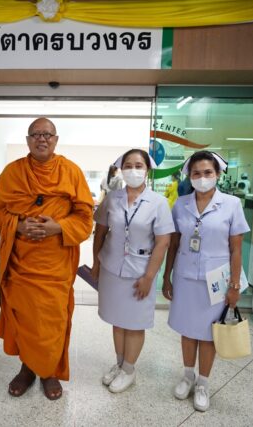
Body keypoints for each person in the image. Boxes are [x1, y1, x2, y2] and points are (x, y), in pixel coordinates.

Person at [0, 117, 94, 400]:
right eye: (36, 134)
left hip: (55, 265)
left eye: (47, 134)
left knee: (52, 322)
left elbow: (85, 218)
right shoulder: (13, 172)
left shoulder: (71, 172)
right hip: (21, 264)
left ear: (56, 140)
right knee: (25, 320)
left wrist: (57, 227)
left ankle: (49, 372)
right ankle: (27, 369)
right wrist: (18, 226)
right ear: (28, 140)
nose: (42, 139)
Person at [162, 150, 250, 412]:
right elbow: (174, 244)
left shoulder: (231, 204)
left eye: (208, 172)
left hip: (216, 281)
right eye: (197, 173)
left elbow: (236, 249)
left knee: (209, 334)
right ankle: (187, 376)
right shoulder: (181, 204)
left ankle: (203, 383)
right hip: (186, 277)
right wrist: (166, 276)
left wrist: (234, 286)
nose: (202, 178)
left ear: (218, 174)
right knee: (188, 330)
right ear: (190, 176)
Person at [91, 149, 174, 393]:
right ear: (121, 169)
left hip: (141, 272)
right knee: (118, 319)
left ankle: (129, 370)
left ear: (147, 170)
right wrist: (96, 263)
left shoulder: (158, 203)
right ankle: (119, 364)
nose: (133, 170)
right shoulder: (112, 198)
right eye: (128, 165)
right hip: (111, 267)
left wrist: (149, 277)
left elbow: (163, 242)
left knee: (135, 323)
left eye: (139, 165)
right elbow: (100, 232)